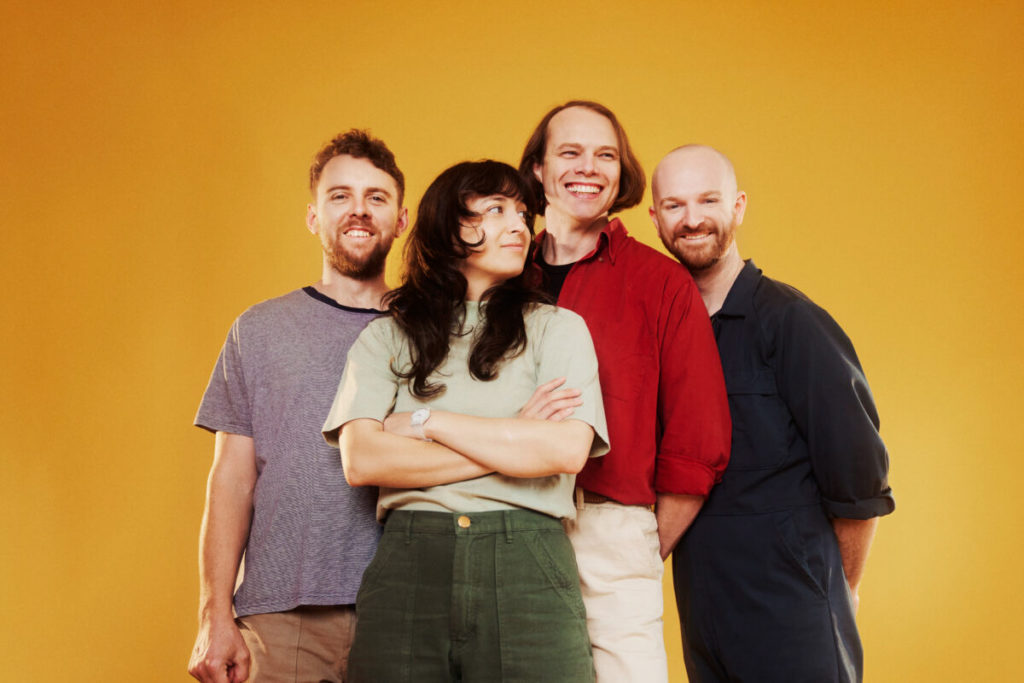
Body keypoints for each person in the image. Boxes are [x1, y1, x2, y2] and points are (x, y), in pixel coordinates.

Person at [322, 160, 609, 682]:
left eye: (523, 213)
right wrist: (514, 435)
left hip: (528, 560)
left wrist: (428, 421)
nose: (519, 226)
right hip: (410, 562)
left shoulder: (560, 330)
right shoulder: (387, 338)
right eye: (496, 209)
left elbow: (564, 452)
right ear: (449, 229)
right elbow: (363, 460)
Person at [650, 144, 895, 682]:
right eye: (674, 205)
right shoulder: (667, 335)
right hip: (704, 609)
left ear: (738, 206)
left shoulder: (792, 323)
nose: (692, 219)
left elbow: (858, 484)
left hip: (792, 609)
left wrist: (836, 591)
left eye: (708, 200)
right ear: (654, 218)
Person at [518, 101, 731, 683]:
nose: (589, 167)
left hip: (611, 529)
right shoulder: (501, 278)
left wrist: (638, 545)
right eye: (570, 152)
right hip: (505, 524)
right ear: (537, 169)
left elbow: (698, 438)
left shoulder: (660, 282)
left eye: (605, 155)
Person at [188, 129, 408, 683]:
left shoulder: (432, 330)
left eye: (376, 198)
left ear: (401, 220)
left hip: (406, 609)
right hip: (281, 613)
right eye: (340, 196)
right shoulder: (258, 330)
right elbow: (231, 479)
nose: (359, 211)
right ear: (313, 216)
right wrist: (214, 613)